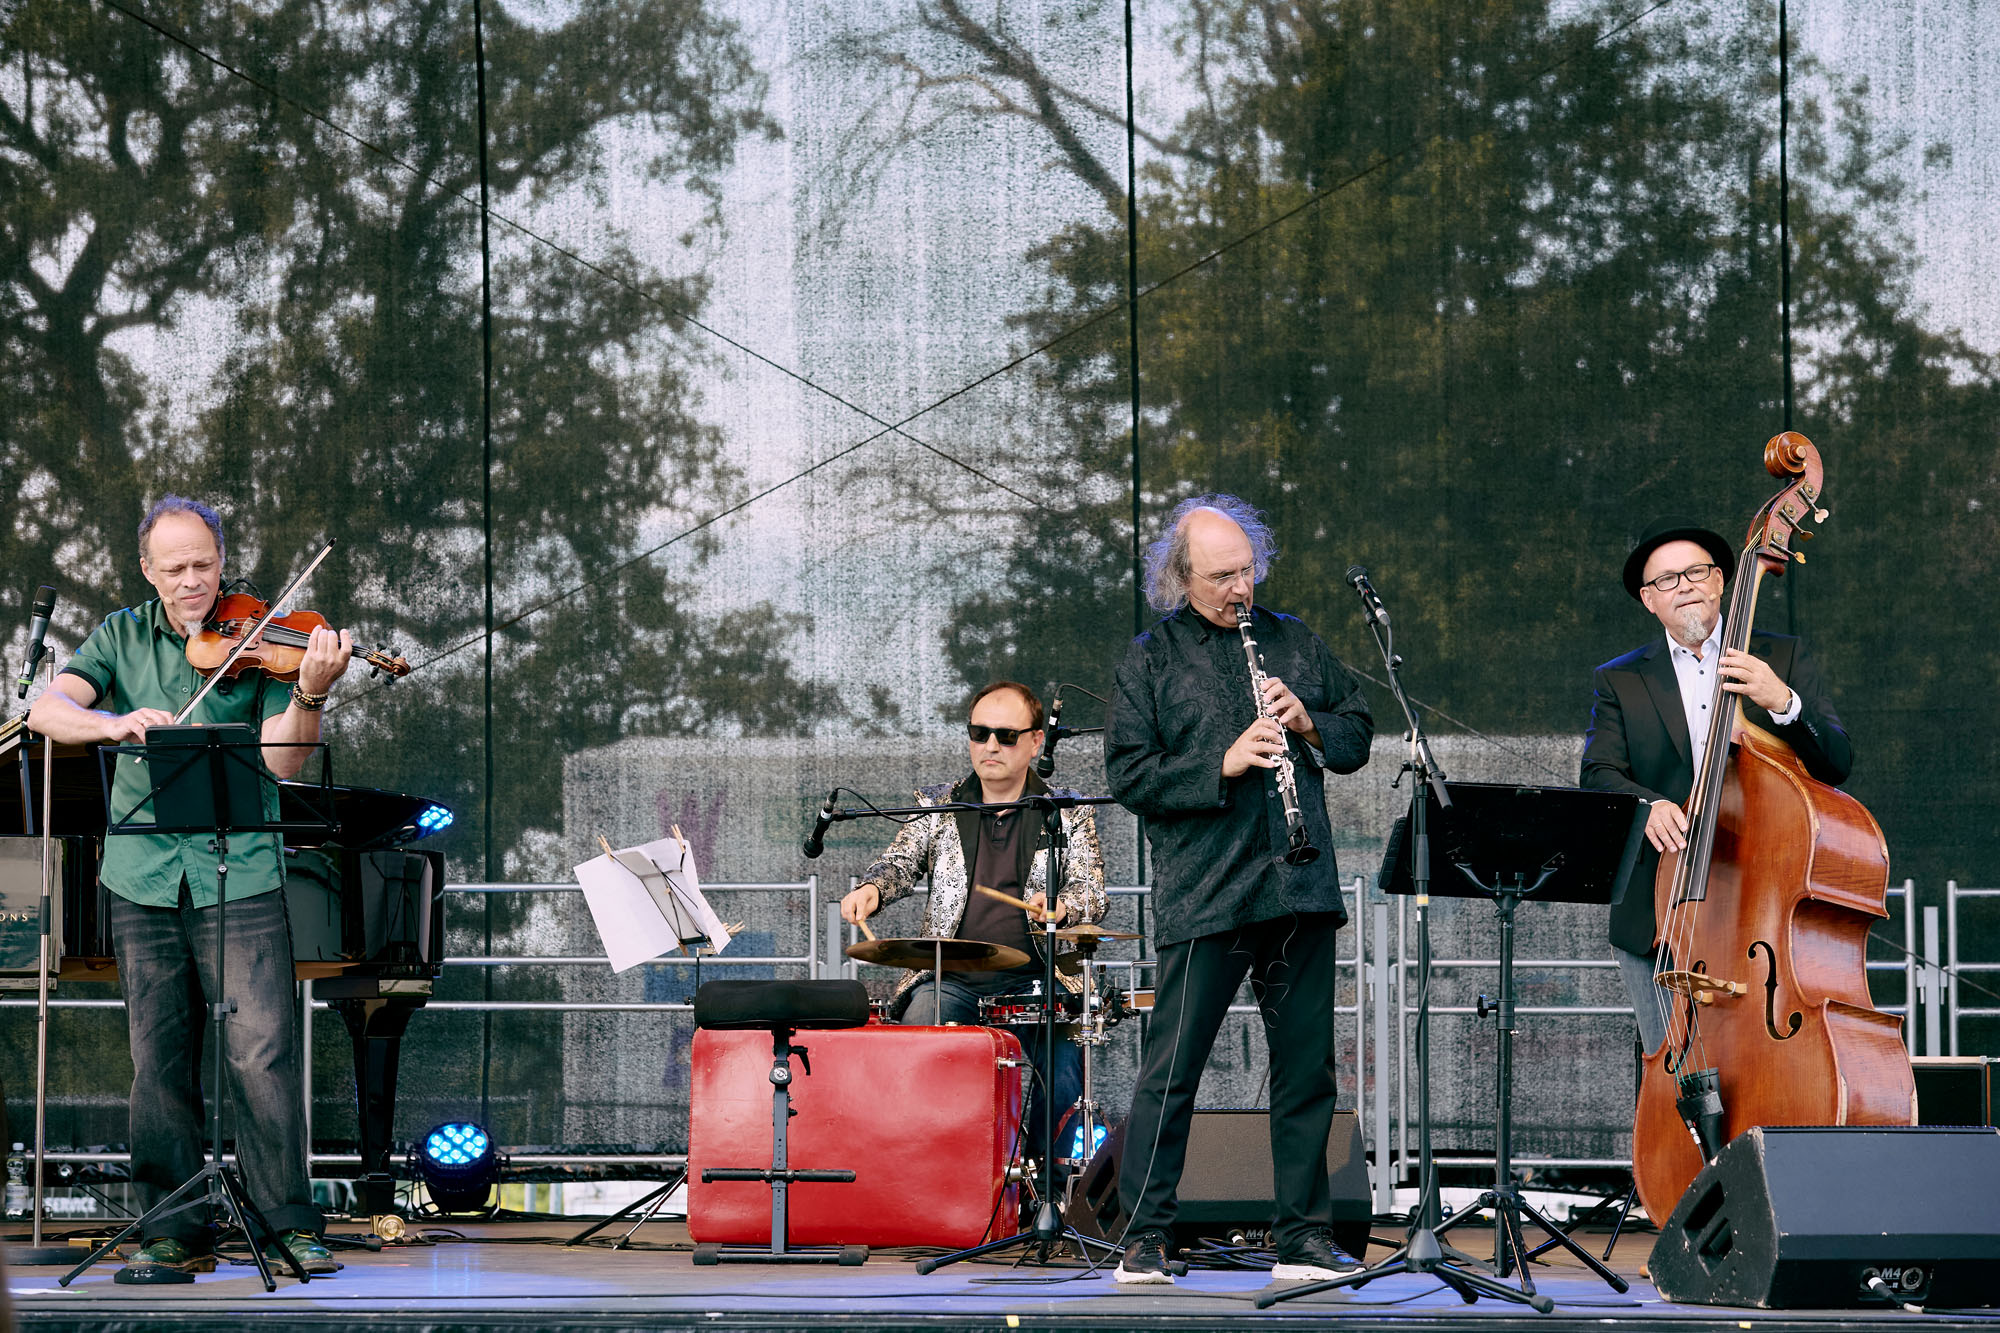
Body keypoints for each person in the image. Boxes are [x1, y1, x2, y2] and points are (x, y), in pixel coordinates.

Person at [27, 495, 353, 1278]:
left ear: (221, 560)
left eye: (203, 563)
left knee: (262, 1051)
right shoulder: (120, 634)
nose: (192, 580)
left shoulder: (262, 635)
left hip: (240, 869)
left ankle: (288, 1222)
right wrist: (111, 723)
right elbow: (47, 710)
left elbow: (281, 762)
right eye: (174, 567)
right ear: (149, 569)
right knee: (158, 1059)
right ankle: (172, 1229)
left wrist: (309, 693)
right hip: (141, 875)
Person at [1103, 495, 1373, 1285]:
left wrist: (1310, 722)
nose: (1240, 588)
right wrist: (1218, 764)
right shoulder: (1150, 658)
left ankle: (1304, 1236)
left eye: (1247, 570)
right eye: (1222, 576)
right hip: (1207, 891)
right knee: (1172, 1069)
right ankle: (1146, 1235)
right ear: (1181, 577)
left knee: (1306, 1072)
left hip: (1298, 885)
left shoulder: (1295, 640)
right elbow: (1129, 774)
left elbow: (1357, 732)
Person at [1581, 515, 1852, 1058]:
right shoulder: (1620, 678)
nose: (1684, 586)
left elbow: (1837, 763)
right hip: (1662, 911)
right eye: (1666, 579)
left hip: (1763, 908)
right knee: (1671, 1071)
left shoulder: (1781, 657)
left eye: (1696, 572)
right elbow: (1598, 774)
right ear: (1648, 600)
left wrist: (1783, 701)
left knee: (1769, 1067)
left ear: (1721, 580)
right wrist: (1648, 804)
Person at [840, 680, 1108, 1161]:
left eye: (1006, 735)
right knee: (921, 1034)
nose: (991, 746)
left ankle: (1043, 1182)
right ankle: (929, 1169)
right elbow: (899, 863)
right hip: (950, 978)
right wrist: (872, 889)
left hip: (1038, 977)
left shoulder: (1067, 811)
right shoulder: (938, 805)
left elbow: (1092, 891)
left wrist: (1063, 906)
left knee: (1065, 1070)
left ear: (1036, 742)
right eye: (979, 733)